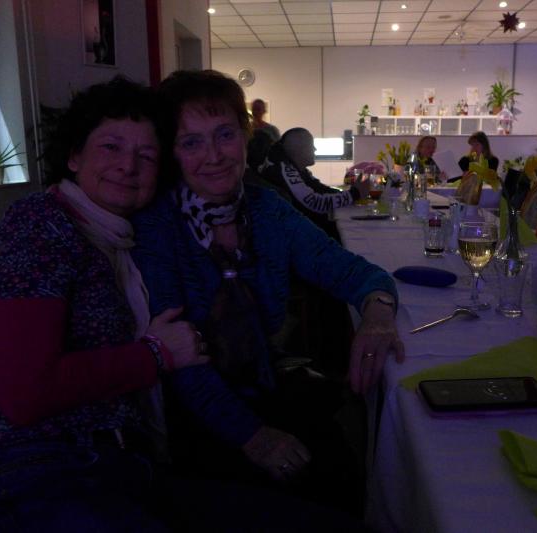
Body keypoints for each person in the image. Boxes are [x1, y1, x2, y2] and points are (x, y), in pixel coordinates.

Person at [0, 77, 356, 532]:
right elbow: (24, 395)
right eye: (111, 147)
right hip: (22, 470)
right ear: (74, 156)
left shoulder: (119, 238)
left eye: (146, 155)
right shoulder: (38, 229)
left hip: (114, 462)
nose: (128, 165)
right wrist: (154, 354)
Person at [131, 69, 404, 513]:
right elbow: (182, 366)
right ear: (171, 153)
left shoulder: (266, 209)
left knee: (347, 472)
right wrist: (254, 438)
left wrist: (377, 312)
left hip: (266, 384)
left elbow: (352, 271)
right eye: (192, 142)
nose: (214, 155)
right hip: (196, 416)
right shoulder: (157, 227)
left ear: (245, 136)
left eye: (225, 134)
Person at [260, 127, 369, 240]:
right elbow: (315, 203)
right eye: (311, 146)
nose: (315, 149)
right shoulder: (285, 170)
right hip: (298, 237)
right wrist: (354, 194)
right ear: (299, 150)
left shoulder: (295, 168)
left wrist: (351, 194)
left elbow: (321, 189)